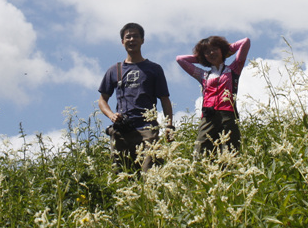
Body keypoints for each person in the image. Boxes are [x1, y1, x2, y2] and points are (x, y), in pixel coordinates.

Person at [98, 22, 174, 173]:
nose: (131, 39)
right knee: (122, 178)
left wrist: (169, 126)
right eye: (128, 37)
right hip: (122, 132)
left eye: (135, 36)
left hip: (148, 129)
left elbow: (164, 100)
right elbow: (102, 100)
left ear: (142, 40)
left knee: (151, 175)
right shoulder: (115, 70)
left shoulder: (154, 69)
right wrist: (112, 116)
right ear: (122, 41)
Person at [176, 35, 250, 156]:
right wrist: (201, 58)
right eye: (207, 51)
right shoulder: (202, 75)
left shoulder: (234, 69)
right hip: (208, 116)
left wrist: (227, 51)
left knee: (231, 153)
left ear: (222, 50)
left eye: (215, 49)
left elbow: (245, 42)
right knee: (201, 152)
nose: (211, 53)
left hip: (228, 115)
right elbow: (180, 59)